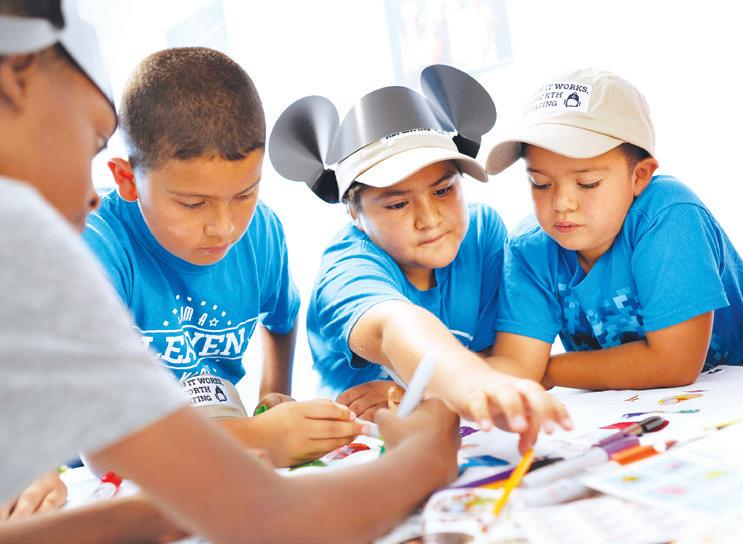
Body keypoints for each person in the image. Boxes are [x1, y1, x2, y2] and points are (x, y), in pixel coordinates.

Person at [0, 2, 462, 542]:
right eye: (92, 139)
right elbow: (275, 520)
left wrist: (221, 470)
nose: (90, 195)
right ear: (15, 78)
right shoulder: (39, 242)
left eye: (244, 195)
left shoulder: (260, 235)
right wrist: (425, 458)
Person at [83, 47, 363, 467]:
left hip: (218, 448)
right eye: (193, 204)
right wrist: (260, 435)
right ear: (127, 179)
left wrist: (272, 397)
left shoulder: (261, 232)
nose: (225, 227)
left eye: (245, 194)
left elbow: (281, 318)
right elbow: (101, 448)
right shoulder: (94, 248)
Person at [270, 67, 572, 452]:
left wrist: (419, 390)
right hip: (362, 449)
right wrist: (471, 382)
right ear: (354, 213)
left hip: (464, 436)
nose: (429, 219)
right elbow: (394, 327)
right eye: (398, 203)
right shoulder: (346, 270)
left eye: (443, 190)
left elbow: (505, 355)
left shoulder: (482, 232)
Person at [486, 68, 743, 390]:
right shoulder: (529, 249)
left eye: (587, 183)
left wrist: (547, 371)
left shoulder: (668, 215)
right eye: (540, 183)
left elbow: (674, 364)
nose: (561, 203)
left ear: (640, 176)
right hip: (627, 408)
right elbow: (517, 367)